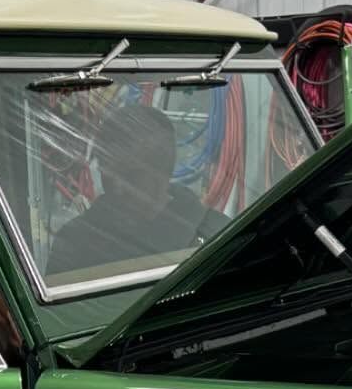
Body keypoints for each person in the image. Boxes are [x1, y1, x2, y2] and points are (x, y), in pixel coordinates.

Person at [46, 101, 228, 280]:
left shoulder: (213, 236)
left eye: (130, 176)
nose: (117, 187)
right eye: (108, 174)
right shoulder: (77, 241)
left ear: (163, 174)